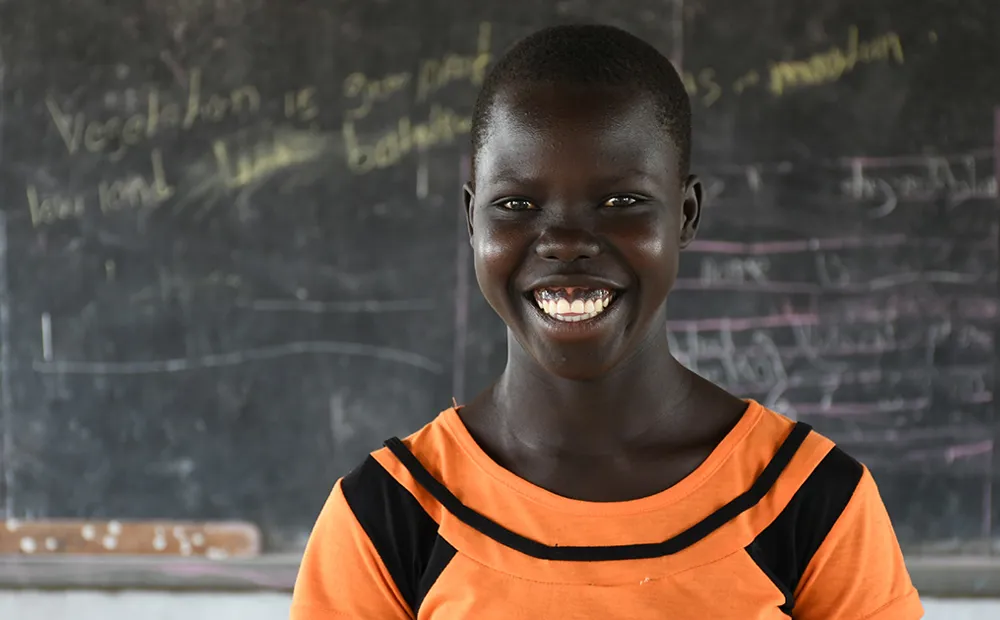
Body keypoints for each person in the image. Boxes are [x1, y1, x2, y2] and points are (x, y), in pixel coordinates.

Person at [290, 24, 923, 619]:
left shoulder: (808, 502)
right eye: (515, 204)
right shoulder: (389, 518)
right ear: (472, 220)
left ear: (686, 214)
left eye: (621, 201)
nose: (565, 241)